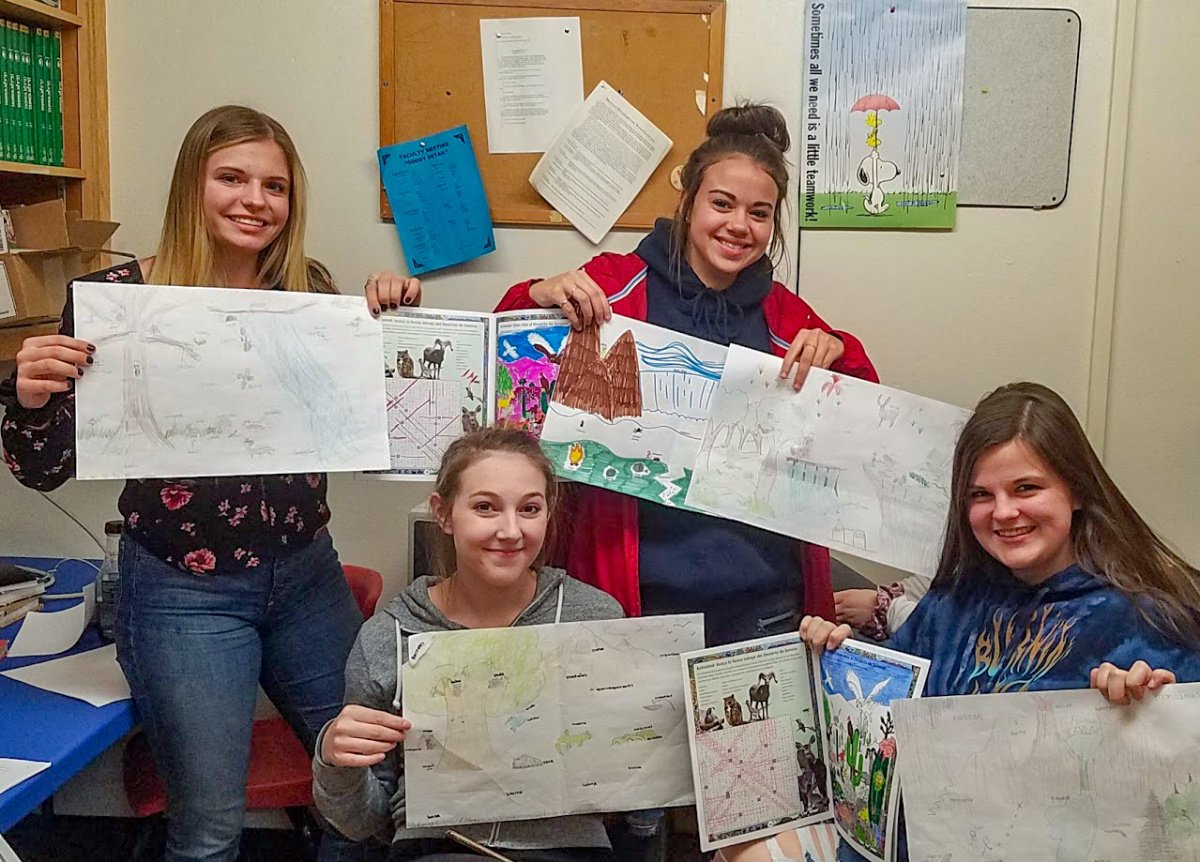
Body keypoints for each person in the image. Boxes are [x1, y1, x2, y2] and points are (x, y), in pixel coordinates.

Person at [0, 105, 420, 862]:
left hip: (305, 578)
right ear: (192, 185)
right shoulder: (117, 302)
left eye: (275, 186)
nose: (255, 200)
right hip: (179, 592)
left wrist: (390, 320)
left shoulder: (311, 292)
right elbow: (41, 470)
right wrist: (29, 398)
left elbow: (369, 421)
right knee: (210, 828)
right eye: (232, 178)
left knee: (370, 791)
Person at [494, 103, 878, 648]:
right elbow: (498, 360)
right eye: (721, 203)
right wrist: (534, 296)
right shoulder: (616, 287)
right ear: (687, 202)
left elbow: (873, 423)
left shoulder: (786, 317)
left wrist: (839, 349)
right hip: (633, 600)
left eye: (760, 212)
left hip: (764, 605)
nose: (739, 226)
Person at [798, 381, 1200, 862]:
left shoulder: (1147, 620)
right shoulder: (948, 607)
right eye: (981, 494)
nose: (1004, 512)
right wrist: (840, 660)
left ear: (1075, 491)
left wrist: (1151, 709)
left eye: (1026, 487)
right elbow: (880, 732)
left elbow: (1174, 809)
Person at [312, 426, 623, 861]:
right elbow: (365, 820)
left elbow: (630, 793)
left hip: (569, 847)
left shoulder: (594, 618)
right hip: (439, 848)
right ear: (443, 513)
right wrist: (334, 760)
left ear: (549, 512)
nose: (511, 530)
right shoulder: (389, 636)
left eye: (530, 509)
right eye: (485, 507)